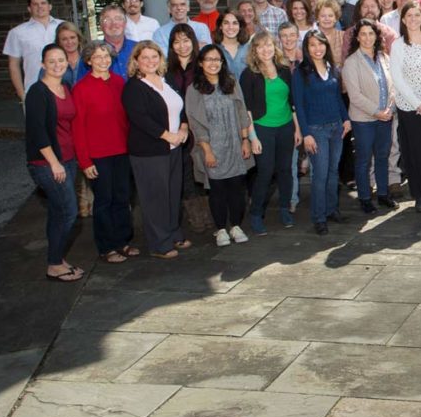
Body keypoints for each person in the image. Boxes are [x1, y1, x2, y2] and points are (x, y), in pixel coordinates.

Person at [123, 42, 191, 259]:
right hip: (149, 152)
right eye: (145, 57)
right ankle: (159, 243)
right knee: (155, 198)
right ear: (136, 61)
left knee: (172, 193)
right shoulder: (134, 87)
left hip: (174, 148)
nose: (150, 61)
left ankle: (172, 233)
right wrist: (166, 135)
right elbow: (140, 119)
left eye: (154, 57)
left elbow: (179, 107)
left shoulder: (166, 80)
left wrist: (183, 126)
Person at [73, 40, 137, 262]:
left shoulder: (120, 82)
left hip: (122, 151)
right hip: (97, 155)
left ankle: (123, 241)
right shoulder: (81, 89)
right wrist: (85, 161)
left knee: (122, 198)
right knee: (104, 200)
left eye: (106, 56)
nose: (103, 60)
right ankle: (106, 247)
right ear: (89, 61)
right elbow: (77, 127)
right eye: (97, 57)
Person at [185, 44, 254, 246]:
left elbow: (242, 112)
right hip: (211, 147)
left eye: (217, 59)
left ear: (222, 62)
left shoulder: (231, 82)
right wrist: (207, 151)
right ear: (200, 63)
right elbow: (195, 122)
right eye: (209, 59)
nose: (213, 63)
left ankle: (236, 225)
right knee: (216, 189)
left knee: (236, 187)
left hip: (235, 143)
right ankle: (221, 229)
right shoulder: (194, 89)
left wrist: (245, 140)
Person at [26, 44, 84, 280]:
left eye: (61, 60)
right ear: (43, 65)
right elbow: (37, 132)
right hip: (48, 163)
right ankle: (54, 265)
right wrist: (54, 163)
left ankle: (57, 259)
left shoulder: (66, 87)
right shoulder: (37, 92)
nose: (57, 65)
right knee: (68, 211)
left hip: (68, 159)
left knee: (57, 212)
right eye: (51, 61)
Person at [287, 31, 350, 233]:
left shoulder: (333, 69)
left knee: (333, 172)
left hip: (336, 127)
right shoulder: (300, 72)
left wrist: (346, 119)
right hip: (316, 130)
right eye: (312, 45)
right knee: (320, 174)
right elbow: (298, 105)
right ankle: (319, 217)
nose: (317, 49)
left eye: (321, 44)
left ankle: (332, 209)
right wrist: (306, 134)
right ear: (307, 48)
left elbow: (338, 98)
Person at [239, 30, 299, 234]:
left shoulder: (283, 69)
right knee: (265, 172)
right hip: (262, 128)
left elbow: (292, 103)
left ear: (275, 47)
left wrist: (297, 128)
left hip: (285, 127)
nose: (265, 49)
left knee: (285, 171)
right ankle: (256, 213)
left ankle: (284, 209)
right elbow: (246, 110)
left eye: (269, 45)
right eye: (260, 46)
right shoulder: (248, 74)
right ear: (254, 50)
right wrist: (252, 137)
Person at [342, 19, 396, 215]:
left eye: (371, 33)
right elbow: (354, 96)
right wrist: (377, 112)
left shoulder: (384, 57)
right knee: (364, 159)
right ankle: (364, 197)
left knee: (382, 156)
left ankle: (383, 194)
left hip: (385, 116)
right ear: (357, 37)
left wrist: (389, 108)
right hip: (364, 120)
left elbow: (392, 86)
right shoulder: (351, 62)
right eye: (363, 34)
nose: (367, 38)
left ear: (376, 36)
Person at [5, 0, 63, 101]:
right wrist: (22, 95)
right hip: (33, 90)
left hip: (64, 88)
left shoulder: (64, 26)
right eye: (35, 4)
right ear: (29, 8)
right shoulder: (17, 33)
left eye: (43, 3)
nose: (39, 7)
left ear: (50, 6)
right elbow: (14, 65)